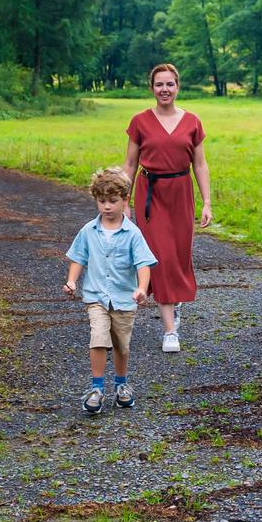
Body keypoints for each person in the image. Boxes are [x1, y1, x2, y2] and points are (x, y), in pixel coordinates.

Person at [121, 63, 214, 353]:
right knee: (158, 257)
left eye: (170, 84)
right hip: (151, 194)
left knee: (178, 256)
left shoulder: (193, 121)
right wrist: (124, 200)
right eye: (159, 84)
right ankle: (169, 330)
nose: (165, 89)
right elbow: (130, 164)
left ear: (178, 87)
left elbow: (200, 164)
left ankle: (173, 300)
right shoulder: (139, 121)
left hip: (181, 193)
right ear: (152, 88)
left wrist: (207, 201)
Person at [64, 167, 157, 413]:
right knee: (98, 338)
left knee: (121, 346)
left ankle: (121, 384)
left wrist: (142, 288)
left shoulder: (133, 234)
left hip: (124, 299)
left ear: (125, 200)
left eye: (113, 201)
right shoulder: (88, 231)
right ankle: (96, 388)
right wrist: (72, 281)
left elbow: (144, 263)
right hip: (96, 297)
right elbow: (78, 257)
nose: (106, 207)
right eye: (101, 201)